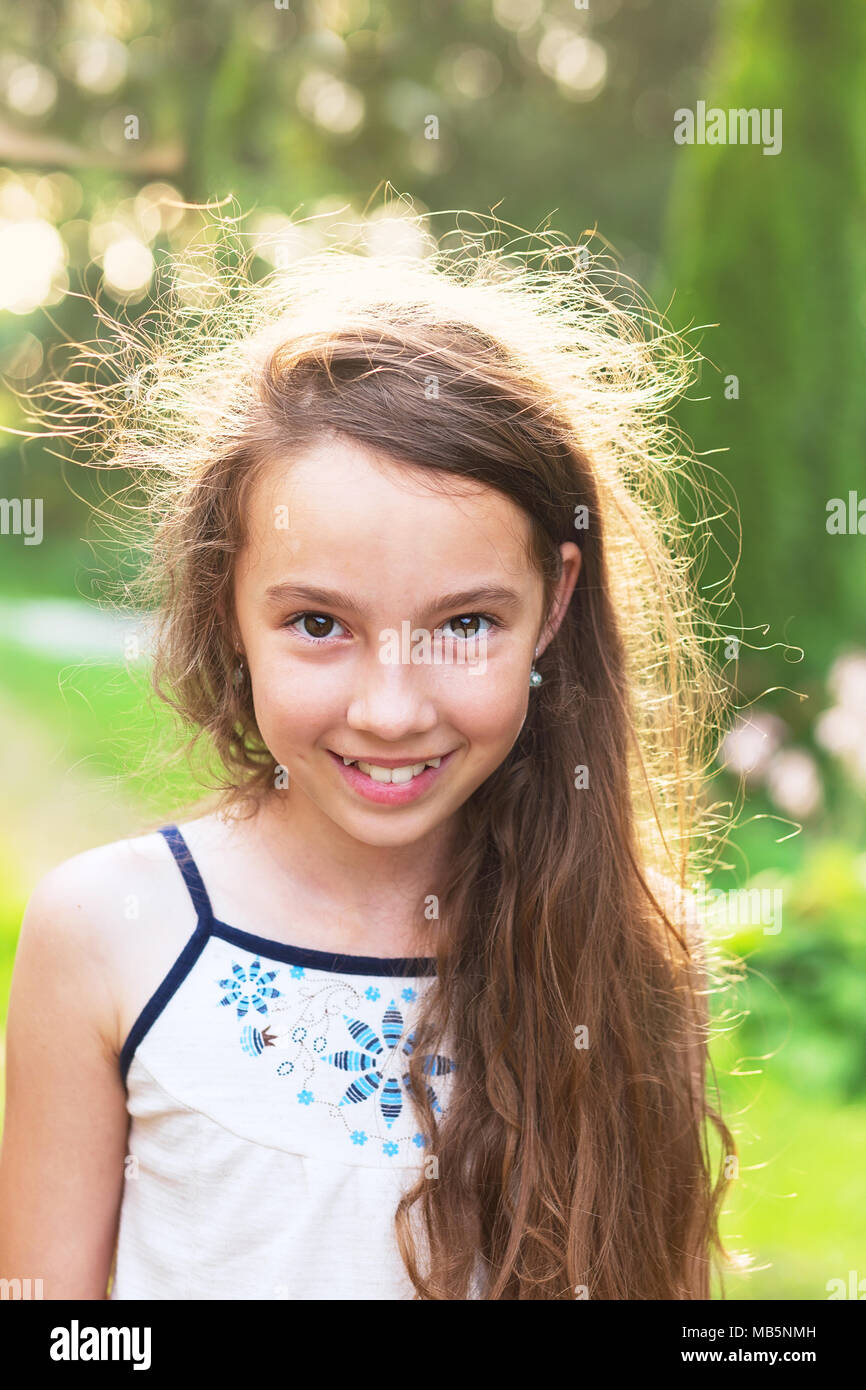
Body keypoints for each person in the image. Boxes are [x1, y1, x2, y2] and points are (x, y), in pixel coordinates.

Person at [0, 213, 739, 1299]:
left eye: (463, 625)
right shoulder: (108, 934)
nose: (390, 710)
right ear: (227, 604)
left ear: (553, 605)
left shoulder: (632, 953)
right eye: (317, 624)